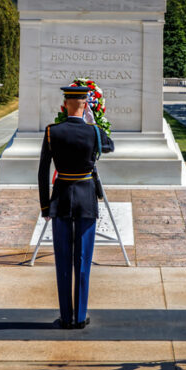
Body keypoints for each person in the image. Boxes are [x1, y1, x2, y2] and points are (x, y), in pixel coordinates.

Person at [38, 86, 114, 329]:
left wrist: (44, 207)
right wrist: (92, 122)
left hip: (60, 199)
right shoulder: (93, 132)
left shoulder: (52, 131)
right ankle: (80, 317)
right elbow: (110, 146)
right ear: (85, 105)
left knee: (62, 261)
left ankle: (66, 316)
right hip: (85, 199)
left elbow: (43, 172)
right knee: (82, 259)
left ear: (65, 105)